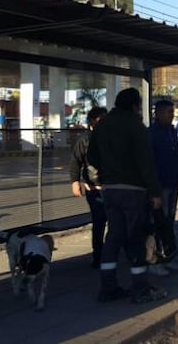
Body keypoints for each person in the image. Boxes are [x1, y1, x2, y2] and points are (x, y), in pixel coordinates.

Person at [87, 88, 167, 304]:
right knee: (135, 238)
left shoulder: (102, 125)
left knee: (113, 237)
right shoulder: (136, 126)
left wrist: (99, 181)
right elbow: (146, 163)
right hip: (134, 190)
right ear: (134, 105)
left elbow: (91, 157)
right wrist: (155, 192)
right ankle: (140, 288)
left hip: (110, 190)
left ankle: (108, 287)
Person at [69, 106, 108, 269]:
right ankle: (98, 256)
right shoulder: (84, 139)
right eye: (101, 118)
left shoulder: (110, 136)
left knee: (115, 222)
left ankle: (111, 252)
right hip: (94, 187)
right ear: (92, 120)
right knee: (99, 223)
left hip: (111, 186)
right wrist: (75, 181)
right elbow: (75, 161)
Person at [148, 100, 178, 274]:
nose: (171, 115)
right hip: (160, 185)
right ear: (158, 113)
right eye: (168, 112)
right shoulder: (152, 134)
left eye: (172, 112)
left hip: (172, 183)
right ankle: (155, 261)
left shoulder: (171, 131)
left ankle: (168, 256)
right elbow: (151, 163)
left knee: (169, 222)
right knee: (158, 223)